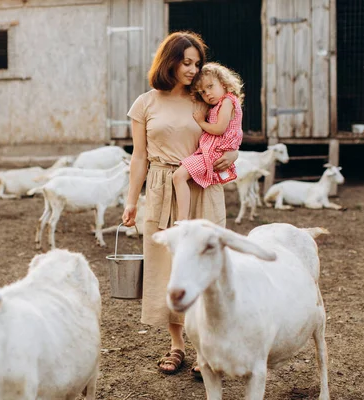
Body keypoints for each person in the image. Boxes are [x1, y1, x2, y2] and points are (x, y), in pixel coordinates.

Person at [122, 31, 238, 376]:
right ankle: (177, 346)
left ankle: (208, 348)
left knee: (206, 266)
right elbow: (138, 158)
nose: (193, 69)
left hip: (200, 184)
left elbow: (229, 132)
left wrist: (233, 151)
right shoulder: (145, 103)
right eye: (186, 62)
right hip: (161, 187)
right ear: (168, 62)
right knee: (168, 267)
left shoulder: (204, 99)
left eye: (197, 63)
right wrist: (131, 202)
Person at [172, 62, 244, 221]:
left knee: (178, 177)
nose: (208, 94)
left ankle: (182, 219)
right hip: (212, 151)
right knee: (180, 177)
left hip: (214, 153)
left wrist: (201, 122)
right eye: (203, 92)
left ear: (224, 84)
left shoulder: (227, 101)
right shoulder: (219, 104)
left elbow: (219, 129)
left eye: (211, 86)